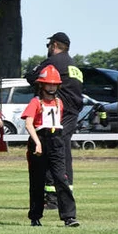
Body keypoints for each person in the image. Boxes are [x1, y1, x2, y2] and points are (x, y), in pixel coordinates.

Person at [25, 32, 83, 209]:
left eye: (48, 45)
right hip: (71, 113)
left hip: (57, 112)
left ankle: (52, 198)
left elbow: (32, 77)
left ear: (55, 45)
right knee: (64, 152)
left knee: (52, 150)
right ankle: (65, 194)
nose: (48, 49)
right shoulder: (74, 66)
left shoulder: (53, 63)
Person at [22, 65, 79, 227]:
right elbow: (28, 123)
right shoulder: (36, 102)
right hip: (40, 139)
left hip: (56, 141)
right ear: (42, 85)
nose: (52, 87)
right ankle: (35, 216)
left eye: (54, 84)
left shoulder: (59, 103)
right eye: (49, 84)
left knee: (61, 178)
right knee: (37, 180)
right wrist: (38, 143)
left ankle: (69, 217)